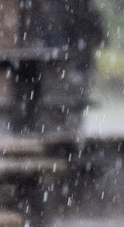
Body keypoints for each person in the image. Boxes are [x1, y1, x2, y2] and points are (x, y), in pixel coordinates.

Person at [20, 0, 106, 132]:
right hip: (68, 68)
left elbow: (100, 37)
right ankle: (67, 133)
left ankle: (62, 132)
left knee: (64, 107)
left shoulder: (56, 9)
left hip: (65, 69)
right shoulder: (81, 8)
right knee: (68, 108)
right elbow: (100, 38)